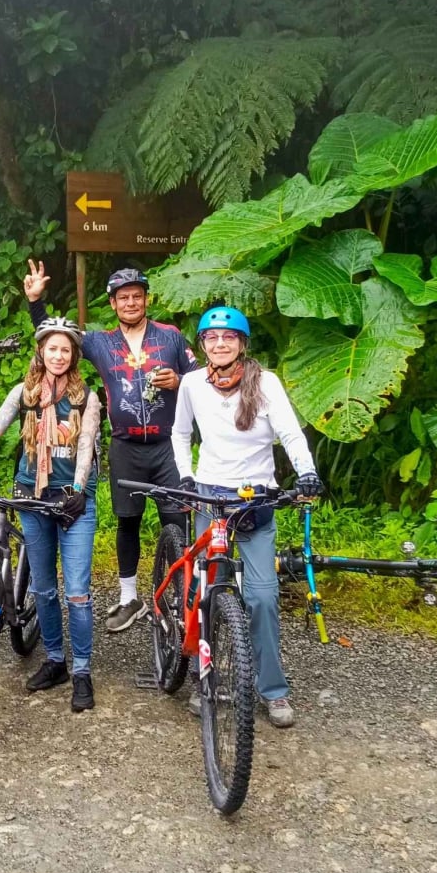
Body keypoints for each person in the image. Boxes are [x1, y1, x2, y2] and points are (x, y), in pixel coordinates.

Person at [0, 317, 103, 712]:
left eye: (65, 349)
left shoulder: (87, 398)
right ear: (41, 352)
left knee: (77, 593)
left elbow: (86, 445)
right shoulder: (25, 393)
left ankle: (82, 670)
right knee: (43, 588)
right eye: (52, 349)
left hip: (72, 501)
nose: (58, 356)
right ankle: (55, 661)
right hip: (32, 496)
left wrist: (79, 491)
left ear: (74, 355)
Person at [170, 305, 324, 728]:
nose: (220, 344)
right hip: (209, 498)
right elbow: (180, 433)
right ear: (202, 345)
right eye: (212, 338)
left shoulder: (266, 383)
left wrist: (306, 471)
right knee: (206, 594)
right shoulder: (191, 385)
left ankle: (273, 690)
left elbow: (290, 433)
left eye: (228, 337)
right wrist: (185, 475)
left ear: (242, 344)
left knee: (262, 596)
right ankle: (207, 681)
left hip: (256, 500)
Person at [23, 261, 195, 633]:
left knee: (176, 520)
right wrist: (36, 302)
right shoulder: (99, 342)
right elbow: (55, 339)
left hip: (168, 445)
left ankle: (182, 597)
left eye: (137, 296)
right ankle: (129, 597)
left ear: (147, 299)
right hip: (125, 444)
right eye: (123, 298)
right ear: (113, 304)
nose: (131, 303)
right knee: (127, 522)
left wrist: (179, 380)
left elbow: (201, 378)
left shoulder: (171, 337)